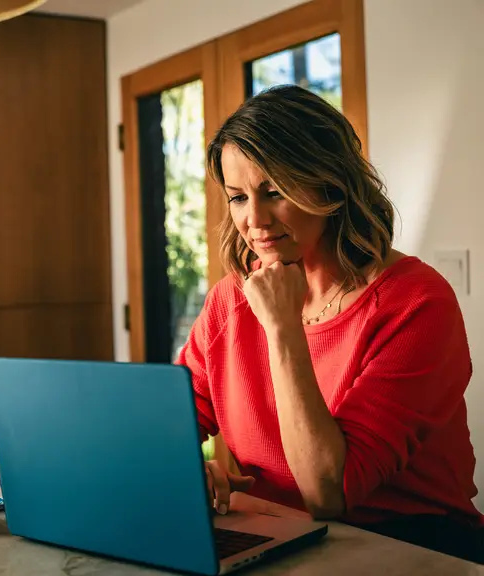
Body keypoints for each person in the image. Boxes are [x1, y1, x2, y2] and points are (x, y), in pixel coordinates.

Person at [177, 84, 483, 563]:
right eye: (237, 198)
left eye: (273, 191)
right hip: (279, 542)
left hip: (413, 550)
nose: (253, 219)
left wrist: (282, 329)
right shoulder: (229, 301)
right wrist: (184, 472)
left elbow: (328, 492)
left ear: (330, 184)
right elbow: (169, 426)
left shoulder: (417, 304)